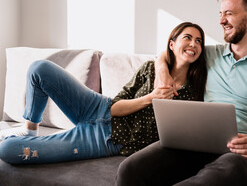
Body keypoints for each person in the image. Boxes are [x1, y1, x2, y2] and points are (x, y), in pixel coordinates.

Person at [115, 0, 247, 186]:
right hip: (192, 144)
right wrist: (162, 72)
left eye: (229, 13)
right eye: (220, 14)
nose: (221, 21)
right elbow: (169, 51)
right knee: (129, 170)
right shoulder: (209, 54)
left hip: (237, 154)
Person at [0, 22, 207, 164]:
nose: (193, 44)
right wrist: (151, 98)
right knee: (39, 69)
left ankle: (29, 139)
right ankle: (30, 129)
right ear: (172, 44)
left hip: (105, 140)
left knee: (7, 150)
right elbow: (115, 107)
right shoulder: (151, 69)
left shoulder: (192, 92)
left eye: (199, 41)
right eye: (187, 37)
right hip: (98, 106)